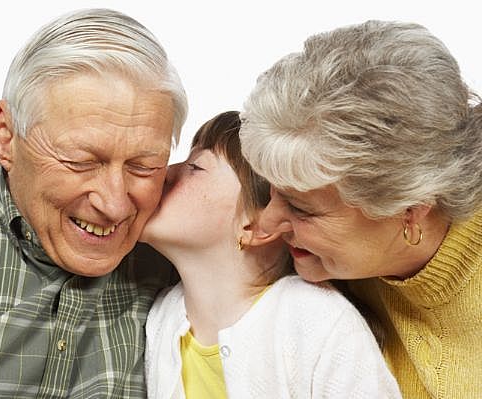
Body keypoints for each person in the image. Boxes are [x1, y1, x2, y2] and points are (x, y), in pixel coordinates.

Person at [0, 8, 187, 398]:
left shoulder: (177, 260)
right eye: (81, 161)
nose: (113, 204)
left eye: (144, 166)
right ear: (6, 136)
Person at [239, 20, 482, 399]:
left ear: (409, 210)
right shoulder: (337, 267)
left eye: (301, 209)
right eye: (272, 191)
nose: (268, 221)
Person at [141, 111, 402, 398]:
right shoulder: (160, 319)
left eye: (195, 166)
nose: (165, 173)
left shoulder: (315, 319)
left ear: (256, 225)